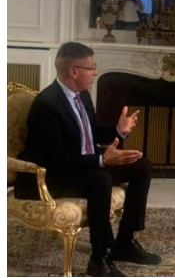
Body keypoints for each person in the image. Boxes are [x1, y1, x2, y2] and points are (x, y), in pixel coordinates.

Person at [14, 42, 161, 277]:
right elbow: (58, 159)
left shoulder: (82, 96)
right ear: (74, 71)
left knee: (141, 167)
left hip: (81, 165)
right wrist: (102, 160)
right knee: (100, 179)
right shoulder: (47, 104)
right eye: (91, 68)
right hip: (51, 175)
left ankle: (125, 243)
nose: (95, 72)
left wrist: (119, 130)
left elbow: (94, 132)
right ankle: (99, 257)